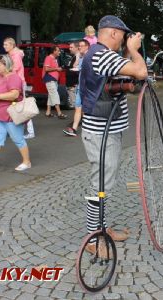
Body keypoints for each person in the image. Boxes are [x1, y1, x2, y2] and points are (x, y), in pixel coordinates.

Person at [79, 15, 147, 253]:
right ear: (114, 33)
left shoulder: (102, 55)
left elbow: (125, 79)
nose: (124, 40)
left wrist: (127, 53)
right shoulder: (100, 55)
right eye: (123, 36)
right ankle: (92, 238)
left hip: (106, 132)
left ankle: (102, 228)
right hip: (100, 134)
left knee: (104, 185)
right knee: (99, 186)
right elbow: (140, 71)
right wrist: (134, 50)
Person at [3, 37, 36, 139]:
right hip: (15, 84)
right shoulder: (11, 55)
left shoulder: (15, 55)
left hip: (18, 84)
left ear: (12, 45)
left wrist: (3, 78)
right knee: (13, 106)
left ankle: (30, 131)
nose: (4, 46)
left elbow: (13, 70)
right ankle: (14, 130)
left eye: (6, 45)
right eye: (4, 45)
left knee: (23, 108)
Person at [63, 39, 90, 137]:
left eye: (82, 46)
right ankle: (74, 129)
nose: (80, 47)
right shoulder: (82, 56)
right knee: (78, 107)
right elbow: (75, 65)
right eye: (79, 46)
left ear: (87, 46)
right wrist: (78, 56)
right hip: (80, 86)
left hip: (88, 87)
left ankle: (89, 128)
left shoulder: (90, 57)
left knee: (87, 108)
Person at [43, 45, 68, 119]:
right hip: (50, 79)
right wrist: (57, 69)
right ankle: (59, 113)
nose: (59, 52)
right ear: (54, 51)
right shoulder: (48, 58)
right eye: (58, 50)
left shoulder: (54, 59)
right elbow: (46, 69)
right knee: (55, 95)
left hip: (53, 79)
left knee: (51, 96)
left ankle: (48, 112)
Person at [65, 42, 81, 110]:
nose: (70, 49)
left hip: (74, 84)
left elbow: (77, 69)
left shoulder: (78, 56)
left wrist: (76, 83)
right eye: (69, 47)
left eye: (71, 47)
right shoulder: (74, 56)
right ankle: (76, 119)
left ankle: (78, 120)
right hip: (71, 84)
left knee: (76, 105)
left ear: (77, 48)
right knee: (75, 105)